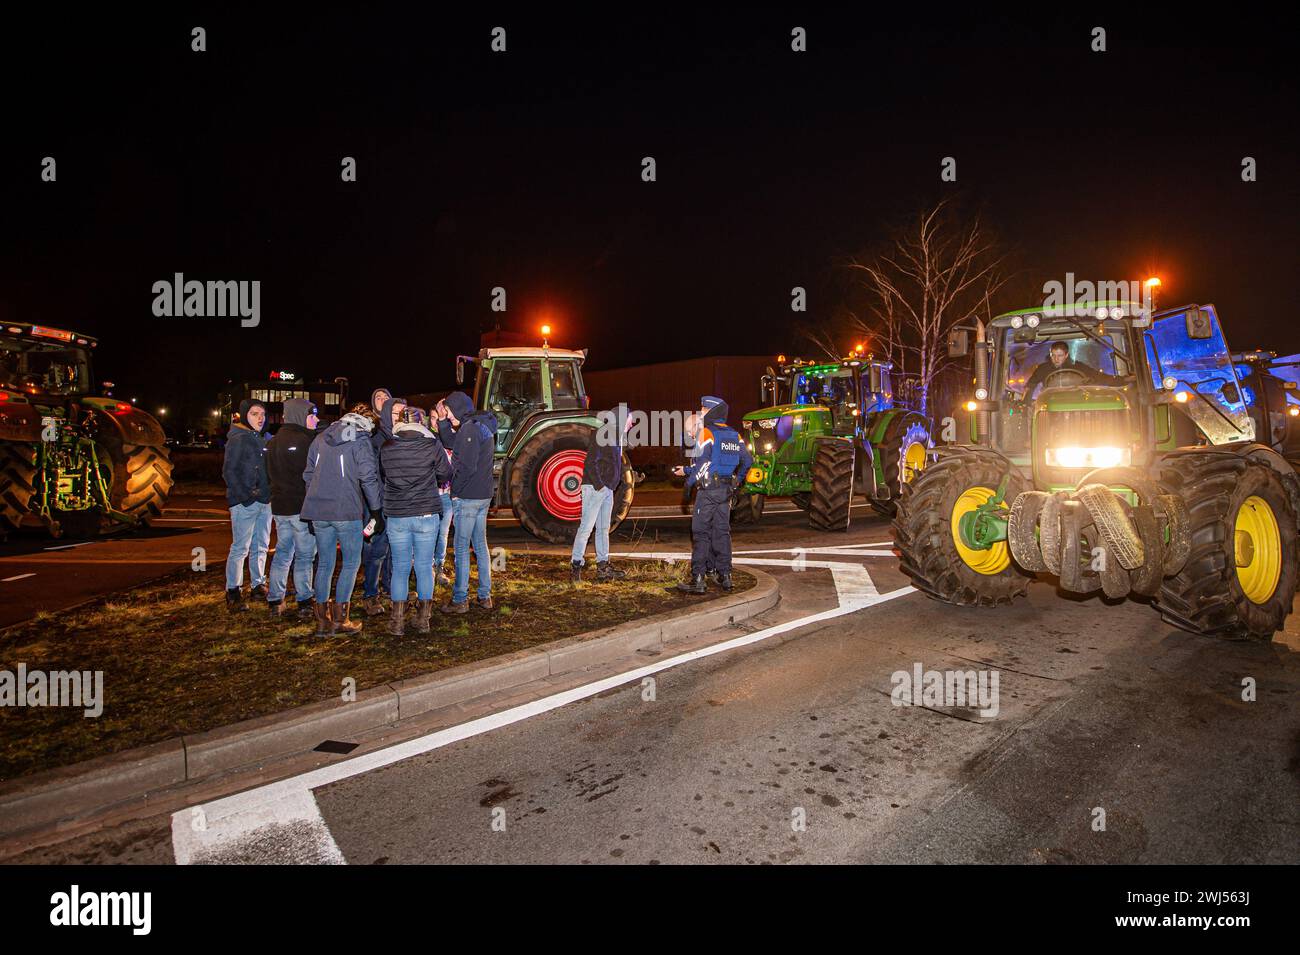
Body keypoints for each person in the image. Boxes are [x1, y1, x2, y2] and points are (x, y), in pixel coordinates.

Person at [301, 403, 384, 636]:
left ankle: (322, 622)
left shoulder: (320, 438)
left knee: (325, 563)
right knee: (350, 563)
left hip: (318, 510)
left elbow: (308, 475)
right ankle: (340, 619)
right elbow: (368, 477)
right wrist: (376, 511)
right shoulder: (360, 439)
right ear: (367, 423)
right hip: (346, 510)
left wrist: (313, 501)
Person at [379, 402, 453, 635]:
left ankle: (397, 621)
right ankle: (423, 619)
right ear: (420, 422)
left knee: (400, 567)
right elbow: (446, 474)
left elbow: (384, 474)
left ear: (400, 421)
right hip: (426, 513)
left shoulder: (387, 446)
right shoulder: (432, 445)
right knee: (423, 566)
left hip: (397, 514)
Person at [673, 395, 751, 594]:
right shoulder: (734, 434)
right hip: (726, 491)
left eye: (704, 409)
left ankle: (698, 578)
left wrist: (688, 483)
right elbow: (748, 460)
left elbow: (702, 463)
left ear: (712, 411)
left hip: (707, 492)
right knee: (722, 533)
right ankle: (725, 576)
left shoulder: (707, 433)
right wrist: (737, 480)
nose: (701, 412)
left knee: (700, 534)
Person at [437, 391, 498, 613]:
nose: (448, 414)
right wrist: (443, 421)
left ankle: (460, 599)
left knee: (462, 548)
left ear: (459, 408)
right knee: (479, 546)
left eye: (449, 410)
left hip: (468, 498)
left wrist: (455, 492)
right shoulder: (477, 426)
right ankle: (484, 596)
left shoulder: (470, 429)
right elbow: (452, 441)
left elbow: (467, 467)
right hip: (482, 497)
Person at [265, 397, 320, 620]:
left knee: (283, 552)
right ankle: (305, 599)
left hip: (279, 507)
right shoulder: (307, 442)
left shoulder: (272, 442)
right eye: (312, 415)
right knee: (305, 555)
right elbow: (312, 477)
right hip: (301, 508)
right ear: (300, 416)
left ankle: (275, 599)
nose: (316, 420)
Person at [570, 406, 631, 583]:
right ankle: (576, 566)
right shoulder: (603, 433)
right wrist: (600, 485)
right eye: (629, 418)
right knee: (586, 529)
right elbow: (591, 462)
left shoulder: (616, 436)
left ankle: (603, 566)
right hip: (595, 489)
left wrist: (612, 484)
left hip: (607, 489)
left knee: (603, 529)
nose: (631, 422)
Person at [222, 399, 272, 613]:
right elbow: (229, 472)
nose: (260, 418)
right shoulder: (238, 438)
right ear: (244, 415)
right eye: (254, 414)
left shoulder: (262, 438)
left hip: (264, 501)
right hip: (245, 502)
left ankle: (258, 584)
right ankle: (233, 590)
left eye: (262, 413)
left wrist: (268, 493)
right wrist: (245, 496)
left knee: (261, 545)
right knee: (240, 547)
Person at [360, 387, 395, 617]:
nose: (382, 400)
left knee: (393, 547)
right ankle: (370, 592)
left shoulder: (397, 430)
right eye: (378, 398)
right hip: (377, 498)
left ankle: (389, 586)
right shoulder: (372, 431)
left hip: (396, 499)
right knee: (375, 545)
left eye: (386, 398)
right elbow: (369, 470)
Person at [1023, 341, 1111, 396]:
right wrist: (1027, 402)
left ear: (1066, 355)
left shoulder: (1078, 366)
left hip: (1076, 400)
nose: (1056, 359)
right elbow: (1030, 385)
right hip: (1050, 401)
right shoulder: (1043, 369)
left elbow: (1098, 376)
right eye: (1053, 355)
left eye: (1060, 355)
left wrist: (1120, 380)